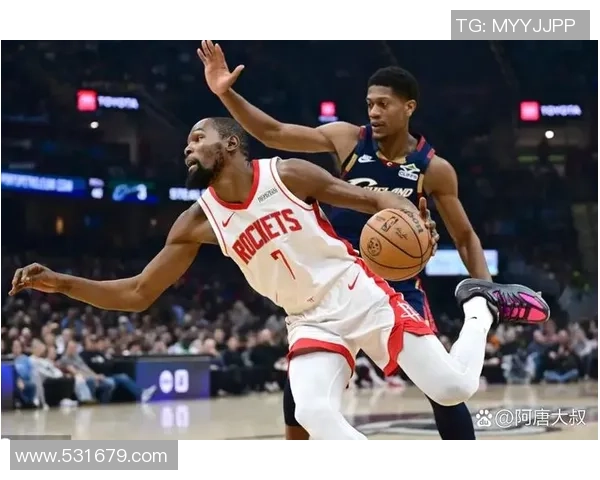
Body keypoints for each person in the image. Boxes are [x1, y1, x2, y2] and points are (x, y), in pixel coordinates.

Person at [9, 117, 550, 440]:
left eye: (197, 138)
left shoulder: (286, 173)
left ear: (228, 144)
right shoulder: (196, 222)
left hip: (357, 291)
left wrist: (410, 215)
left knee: (453, 387)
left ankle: (478, 305)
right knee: (312, 409)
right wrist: (64, 283)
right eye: (187, 143)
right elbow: (136, 292)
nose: (187, 148)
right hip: (307, 319)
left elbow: (369, 200)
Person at [197, 40, 494, 439]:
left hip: (398, 284)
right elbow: (273, 132)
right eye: (370, 104)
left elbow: (465, 236)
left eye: (384, 104)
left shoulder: (433, 168)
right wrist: (225, 93)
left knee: (444, 391)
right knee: (300, 398)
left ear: (409, 107)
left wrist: (486, 289)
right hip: (337, 278)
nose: (374, 112)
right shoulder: (349, 140)